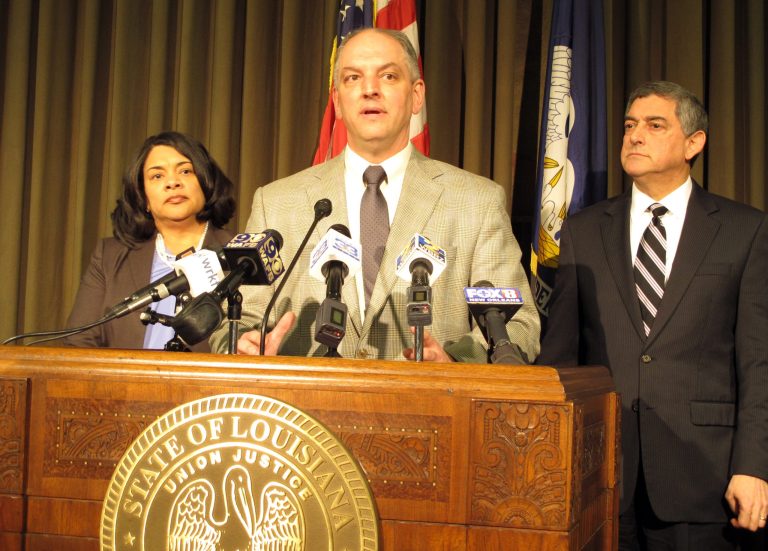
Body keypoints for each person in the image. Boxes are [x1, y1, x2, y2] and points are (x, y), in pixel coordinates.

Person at [210, 28, 539, 363]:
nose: (369, 90)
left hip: (430, 407)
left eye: (388, 75)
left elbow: (520, 324)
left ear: (416, 95)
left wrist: (455, 363)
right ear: (337, 101)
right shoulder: (277, 202)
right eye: (353, 78)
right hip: (305, 408)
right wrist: (241, 344)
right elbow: (236, 320)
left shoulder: (477, 201)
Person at [538, 81, 768, 549]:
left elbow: (758, 364)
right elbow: (560, 358)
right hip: (599, 478)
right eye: (629, 125)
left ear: (694, 142)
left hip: (704, 478)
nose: (635, 136)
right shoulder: (584, 230)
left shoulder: (745, 230)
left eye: (654, 125)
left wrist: (754, 466)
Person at [64, 131, 236, 351]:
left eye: (185, 171)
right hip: (121, 384)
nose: (173, 182)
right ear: (143, 197)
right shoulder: (109, 256)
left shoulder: (237, 253)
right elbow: (79, 342)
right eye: (157, 176)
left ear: (206, 183)